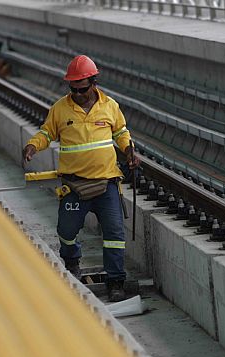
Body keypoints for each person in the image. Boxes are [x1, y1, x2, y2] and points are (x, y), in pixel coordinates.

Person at [23, 55, 139, 302]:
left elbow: (120, 131)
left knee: (114, 235)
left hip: (106, 183)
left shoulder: (110, 106)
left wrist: (128, 149)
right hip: (75, 186)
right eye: (73, 89)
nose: (77, 94)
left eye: (82, 89)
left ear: (93, 83)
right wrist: (33, 146)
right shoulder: (61, 109)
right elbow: (46, 132)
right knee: (66, 230)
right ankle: (72, 261)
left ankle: (115, 281)